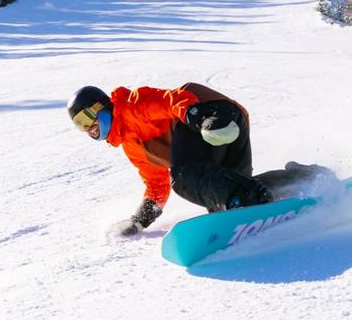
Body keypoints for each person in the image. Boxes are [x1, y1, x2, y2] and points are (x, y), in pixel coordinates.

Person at [67, 82, 321, 236]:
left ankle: (250, 200)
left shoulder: (131, 106)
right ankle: (304, 177)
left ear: (101, 106)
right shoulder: (131, 146)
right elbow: (156, 185)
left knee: (186, 177)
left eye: (86, 117)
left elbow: (172, 100)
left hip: (214, 114)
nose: (88, 127)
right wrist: (139, 220)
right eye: (80, 125)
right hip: (220, 127)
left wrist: (197, 116)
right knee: (231, 191)